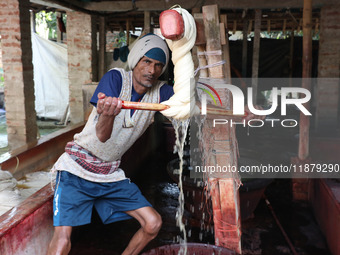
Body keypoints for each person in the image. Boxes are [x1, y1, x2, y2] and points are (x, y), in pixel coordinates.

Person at [47, 33, 174, 255]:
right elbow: (102, 136)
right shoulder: (116, 79)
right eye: (146, 62)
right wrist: (107, 115)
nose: (151, 70)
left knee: (152, 223)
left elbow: (190, 108)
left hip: (109, 173)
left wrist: (238, 111)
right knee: (63, 240)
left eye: (158, 65)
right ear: (135, 62)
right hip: (76, 169)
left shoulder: (161, 92)